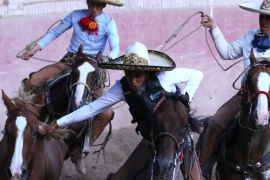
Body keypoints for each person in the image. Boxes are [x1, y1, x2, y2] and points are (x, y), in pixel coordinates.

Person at [45, 42, 203, 179]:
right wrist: (58, 123)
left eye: (138, 76)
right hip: (151, 139)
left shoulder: (164, 77)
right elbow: (91, 109)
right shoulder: (121, 88)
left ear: (147, 71)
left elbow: (197, 75)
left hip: (177, 139)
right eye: (129, 75)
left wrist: (182, 102)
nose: (133, 82)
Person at [21, 0, 123, 175]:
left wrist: (107, 58)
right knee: (32, 82)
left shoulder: (109, 22)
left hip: (91, 67)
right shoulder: (75, 15)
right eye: (91, 4)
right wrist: (35, 49)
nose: (94, 9)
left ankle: (80, 150)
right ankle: (23, 122)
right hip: (70, 61)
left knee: (105, 113)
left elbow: (115, 47)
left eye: (98, 6)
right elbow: (55, 33)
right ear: (88, 2)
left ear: (103, 6)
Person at [196, 0, 270, 178]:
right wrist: (213, 27)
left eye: (269, 18)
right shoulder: (249, 37)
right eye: (262, 16)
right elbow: (227, 52)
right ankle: (199, 171)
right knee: (214, 124)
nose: (264, 21)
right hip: (245, 95)